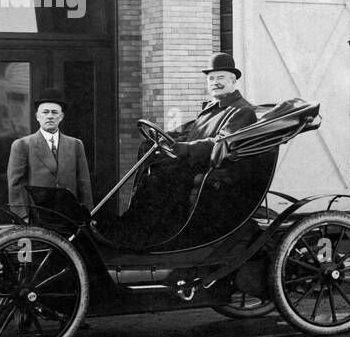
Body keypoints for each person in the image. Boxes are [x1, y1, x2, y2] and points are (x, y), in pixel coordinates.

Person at [105, 53, 260, 247]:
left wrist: (185, 148)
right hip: (194, 166)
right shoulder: (212, 109)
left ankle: (149, 235)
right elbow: (190, 134)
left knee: (160, 177)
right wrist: (168, 138)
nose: (215, 82)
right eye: (211, 78)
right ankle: (135, 227)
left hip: (212, 171)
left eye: (220, 77)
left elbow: (222, 142)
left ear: (233, 80)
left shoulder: (241, 111)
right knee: (152, 167)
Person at [6, 89, 94, 219]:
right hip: (38, 216)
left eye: (54, 112)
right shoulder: (23, 145)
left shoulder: (75, 145)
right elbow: (15, 185)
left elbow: (84, 184)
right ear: (37, 116)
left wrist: (88, 216)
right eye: (45, 112)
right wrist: (22, 217)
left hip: (70, 217)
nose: (50, 116)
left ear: (61, 117)